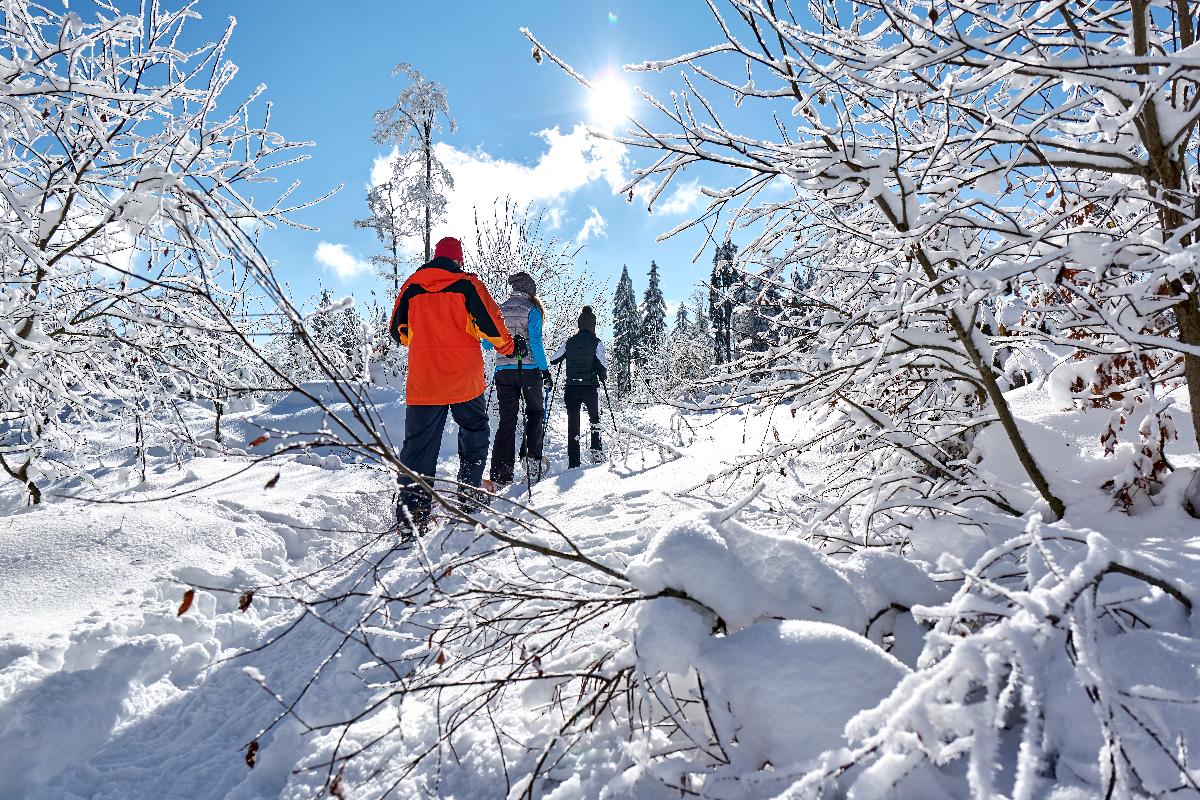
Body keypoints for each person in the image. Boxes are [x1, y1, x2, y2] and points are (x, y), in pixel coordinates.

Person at [388, 236, 514, 528]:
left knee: (418, 448)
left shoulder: (411, 287)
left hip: (425, 381)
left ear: (435, 257)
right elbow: (493, 326)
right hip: (463, 380)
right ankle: (469, 494)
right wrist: (508, 348)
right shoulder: (467, 284)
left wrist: (424, 334)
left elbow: (399, 333)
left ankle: (412, 516)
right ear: (459, 260)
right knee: (474, 431)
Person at [485, 271, 551, 486]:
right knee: (535, 413)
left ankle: (500, 474)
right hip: (529, 370)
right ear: (530, 290)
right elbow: (536, 343)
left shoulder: (499, 309)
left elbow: (486, 343)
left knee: (507, 420)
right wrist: (545, 371)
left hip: (504, 371)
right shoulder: (533, 309)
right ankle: (531, 461)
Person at [549, 305, 607, 469]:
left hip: (572, 388)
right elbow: (603, 368)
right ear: (593, 324)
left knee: (573, 424)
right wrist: (601, 375)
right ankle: (596, 454)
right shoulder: (597, 343)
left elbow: (553, 360)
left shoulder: (569, 342)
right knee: (595, 419)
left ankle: (574, 463)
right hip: (590, 388)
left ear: (579, 324)